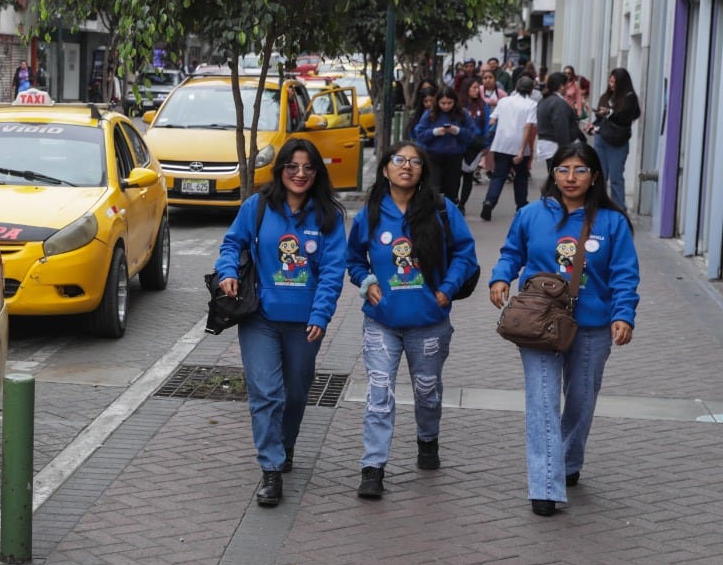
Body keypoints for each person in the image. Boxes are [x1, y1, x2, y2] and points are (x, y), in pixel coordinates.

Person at [488, 141, 639, 516]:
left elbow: (624, 274)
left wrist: (623, 314)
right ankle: (545, 484)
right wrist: (501, 277)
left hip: (592, 325)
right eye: (563, 170)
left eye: (580, 170)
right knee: (541, 402)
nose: (570, 178)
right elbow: (511, 253)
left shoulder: (611, 221)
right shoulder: (530, 214)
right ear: (552, 174)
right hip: (539, 324)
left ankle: (568, 462)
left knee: (582, 401)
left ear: (595, 177)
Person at [214, 138, 348, 507]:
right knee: (266, 392)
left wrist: (321, 314)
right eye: (292, 167)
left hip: (306, 322)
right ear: (280, 170)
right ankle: (271, 470)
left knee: (296, 393)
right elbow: (231, 245)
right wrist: (228, 272)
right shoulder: (257, 207)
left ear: (317, 172)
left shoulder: (329, 216)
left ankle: (285, 445)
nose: (300, 174)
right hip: (260, 317)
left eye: (308, 168)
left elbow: (333, 271)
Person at [346, 141, 477, 498]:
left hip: (429, 321)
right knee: (378, 393)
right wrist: (367, 282)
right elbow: (354, 260)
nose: (407, 166)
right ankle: (373, 467)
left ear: (423, 170)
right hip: (381, 321)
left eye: (415, 161)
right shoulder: (369, 213)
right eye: (399, 160)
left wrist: (446, 290)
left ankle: (428, 439)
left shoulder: (442, 209)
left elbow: (465, 253)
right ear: (385, 168)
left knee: (427, 391)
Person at [480, 76, 537, 221]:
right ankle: (521, 205)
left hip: (501, 144)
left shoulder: (504, 101)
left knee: (498, 175)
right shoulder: (531, 104)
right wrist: (522, 150)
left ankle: (489, 202)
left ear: (516, 87)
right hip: (519, 145)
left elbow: (492, 119)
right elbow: (528, 126)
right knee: (521, 176)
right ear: (531, 90)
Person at [592, 67, 641, 208]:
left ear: (622, 83)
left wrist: (609, 112)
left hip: (618, 141)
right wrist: (593, 126)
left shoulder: (629, 97)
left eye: (614, 82)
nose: (611, 84)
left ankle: (619, 208)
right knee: (601, 176)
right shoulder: (606, 96)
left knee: (616, 177)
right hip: (601, 138)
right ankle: (598, 206)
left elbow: (626, 117)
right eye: (610, 81)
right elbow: (599, 119)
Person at [412, 87, 471, 205]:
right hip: (433, 156)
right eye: (443, 103)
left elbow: (471, 134)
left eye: (449, 103)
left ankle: (448, 214)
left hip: (454, 156)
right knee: (433, 187)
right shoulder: (429, 114)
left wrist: (458, 131)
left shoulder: (462, 114)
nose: (446, 106)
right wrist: (435, 132)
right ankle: (433, 214)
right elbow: (420, 134)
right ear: (437, 102)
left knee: (451, 188)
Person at [457, 82, 491, 212]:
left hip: (475, 146)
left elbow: (487, 126)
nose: (477, 90)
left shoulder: (483, 106)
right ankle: (454, 200)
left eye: (478, 88)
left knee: (468, 176)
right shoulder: (459, 106)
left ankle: (462, 204)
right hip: (459, 145)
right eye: (474, 87)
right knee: (455, 176)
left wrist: (486, 144)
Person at [534, 71, 581, 166]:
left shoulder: (544, 100)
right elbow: (561, 127)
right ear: (561, 86)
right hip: (555, 145)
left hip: (548, 144)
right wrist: (566, 151)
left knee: (554, 174)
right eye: (567, 84)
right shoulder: (558, 103)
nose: (568, 87)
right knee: (558, 177)